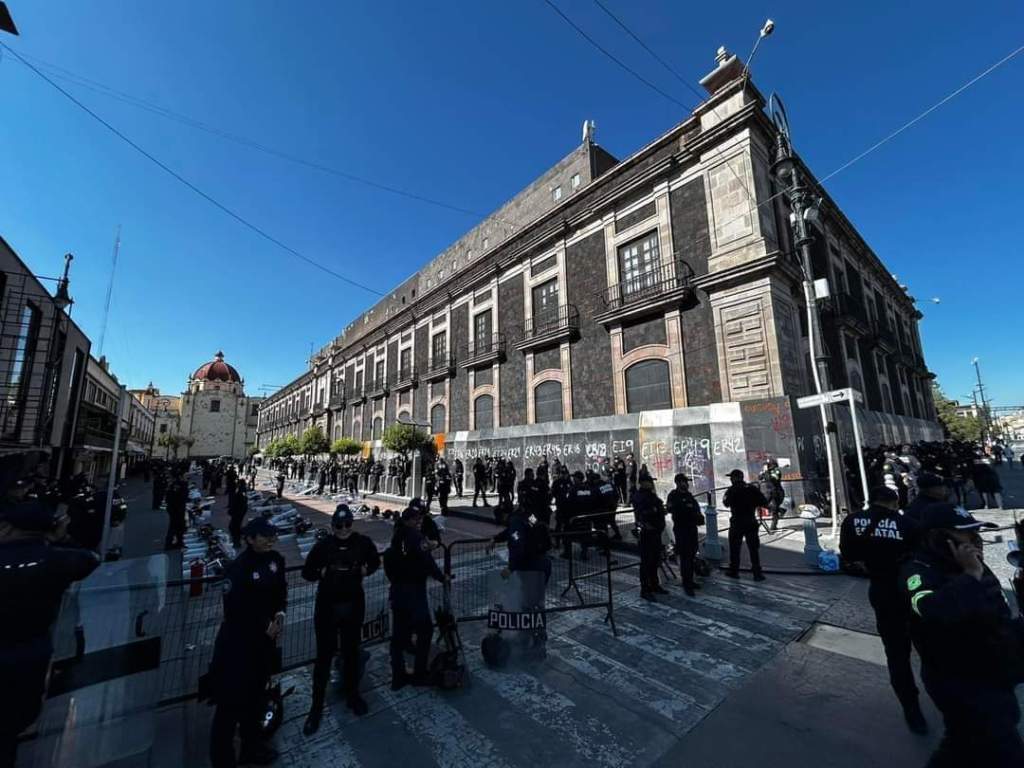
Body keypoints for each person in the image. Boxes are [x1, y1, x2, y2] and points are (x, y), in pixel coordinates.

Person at [901, 503, 1024, 764]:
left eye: (977, 534)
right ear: (941, 539)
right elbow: (931, 610)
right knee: (1000, 747)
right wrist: (970, 575)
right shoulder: (919, 571)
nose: (976, 542)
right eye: (967, 536)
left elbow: (996, 612)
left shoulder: (972, 563)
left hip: (993, 668)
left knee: (965, 742)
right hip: (959, 678)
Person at [0, 493, 100, 767]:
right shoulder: (53, 560)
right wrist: (58, 539)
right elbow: (90, 559)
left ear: (8, 528)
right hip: (31, 657)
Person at [839, 486, 927, 733]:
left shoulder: (853, 521)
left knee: (896, 653)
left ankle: (911, 709)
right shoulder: (908, 524)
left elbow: (847, 555)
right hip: (912, 588)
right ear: (894, 502)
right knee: (927, 646)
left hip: (881, 589)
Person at [207, 518, 287, 768]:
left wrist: (280, 615)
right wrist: (266, 625)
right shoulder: (238, 569)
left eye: (272, 535)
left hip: (264, 645)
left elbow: (280, 592)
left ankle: (251, 749)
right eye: (264, 536)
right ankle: (223, 761)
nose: (270, 540)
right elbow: (235, 609)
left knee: (255, 700)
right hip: (237, 647)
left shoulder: (276, 561)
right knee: (228, 709)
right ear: (250, 539)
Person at [300, 504, 381, 734]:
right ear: (332, 525)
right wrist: (322, 573)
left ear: (351, 524)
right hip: (327, 607)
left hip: (353, 604)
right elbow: (307, 572)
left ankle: (353, 696)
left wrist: (367, 570)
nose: (343, 529)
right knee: (323, 658)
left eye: (347, 524)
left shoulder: (362, 543)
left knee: (351, 653)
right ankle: (315, 708)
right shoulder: (323, 545)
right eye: (339, 525)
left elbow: (375, 561)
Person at [385, 506, 448, 690]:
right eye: (416, 520)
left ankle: (398, 676)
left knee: (398, 637)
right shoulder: (415, 537)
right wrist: (441, 577)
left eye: (420, 520)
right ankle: (419, 673)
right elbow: (427, 561)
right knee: (425, 630)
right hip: (414, 591)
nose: (419, 523)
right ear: (408, 520)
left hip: (397, 591)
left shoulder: (397, 537)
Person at [722, 469, 767, 580]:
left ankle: (734, 571)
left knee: (735, 548)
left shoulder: (731, 490)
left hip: (737, 522)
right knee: (753, 549)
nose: (731, 480)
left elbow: (726, 503)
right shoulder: (752, 488)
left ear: (735, 478)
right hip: (751, 521)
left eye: (732, 477)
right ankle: (757, 573)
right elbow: (763, 501)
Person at [632, 469, 668, 600]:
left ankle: (655, 584)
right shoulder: (639, 496)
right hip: (646, 533)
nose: (651, 484)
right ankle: (645, 588)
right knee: (646, 562)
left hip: (656, 532)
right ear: (642, 483)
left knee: (655, 560)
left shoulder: (652, 496)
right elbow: (642, 514)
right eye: (649, 482)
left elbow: (659, 508)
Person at [666, 473, 703, 596]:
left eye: (686, 482)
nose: (686, 484)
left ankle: (690, 580)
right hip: (681, 529)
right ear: (678, 483)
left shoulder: (689, 496)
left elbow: (696, 510)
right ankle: (686, 583)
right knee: (685, 557)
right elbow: (671, 509)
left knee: (692, 554)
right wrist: (686, 509)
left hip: (692, 528)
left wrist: (698, 517)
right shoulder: (673, 495)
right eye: (683, 482)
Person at [758, 459, 785, 531]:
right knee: (762, 503)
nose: (766, 466)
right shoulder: (767, 472)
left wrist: (766, 472)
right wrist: (762, 473)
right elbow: (760, 478)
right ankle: (781, 510)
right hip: (769, 492)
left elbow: (773, 479)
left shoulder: (776, 471)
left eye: (767, 465)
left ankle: (773, 526)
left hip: (777, 493)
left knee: (774, 509)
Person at [164, 471, 188, 549]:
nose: (186, 476)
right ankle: (173, 543)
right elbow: (183, 497)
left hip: (173, 507)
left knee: (175, 526)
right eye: (184, 475)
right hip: (178, 508)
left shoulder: (173, 484)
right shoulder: (181, 484)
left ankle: (177, 542)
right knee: (176, 526)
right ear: (180, 476)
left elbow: (168, 496)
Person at [227, 481, 248, 549]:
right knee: (235, 527)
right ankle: (238, 540)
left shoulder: (240, 493)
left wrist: (232, 511)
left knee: (234, 528)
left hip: (237, 513)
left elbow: (238, 504)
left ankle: (237, 542)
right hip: (239, 513)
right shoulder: (242, 492)